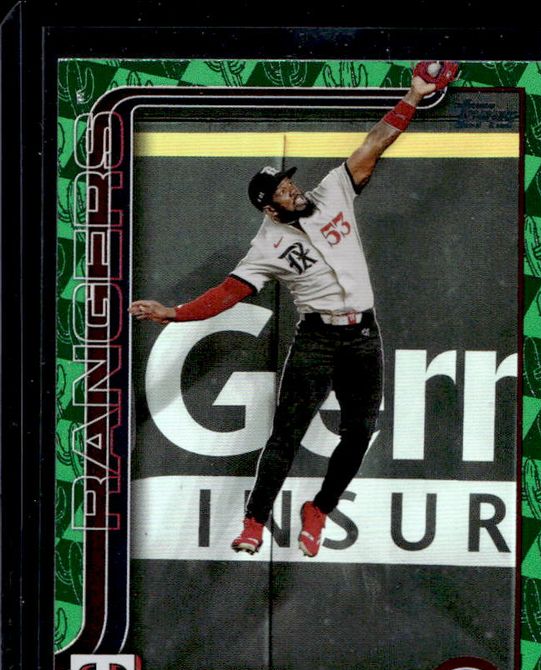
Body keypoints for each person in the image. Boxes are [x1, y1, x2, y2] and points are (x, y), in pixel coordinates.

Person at [129, 61, 458, 558]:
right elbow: (228, 293)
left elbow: (374, 143)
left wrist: (413, 97)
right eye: (284, 191)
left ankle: (319, 509)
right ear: (270, 208)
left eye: (291, 184)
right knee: (286, 433)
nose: (294, 190)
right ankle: (254, 522)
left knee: (359, 433)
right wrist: (174, 313)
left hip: (363, 337)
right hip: (317, 339)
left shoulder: (333, 191)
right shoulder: (266, 246)